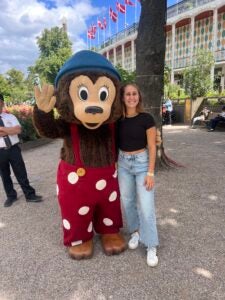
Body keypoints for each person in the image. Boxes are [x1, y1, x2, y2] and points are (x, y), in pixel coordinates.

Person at [117, 83, 159, 267]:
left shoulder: (147, 118)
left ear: (138, 97)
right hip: (124, 164)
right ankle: (136, 232)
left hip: (142, 164)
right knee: (127, 201)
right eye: (128, 94)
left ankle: (151, 244)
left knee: (146, 205)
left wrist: (150, 172)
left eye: (134, 94)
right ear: (123, 97)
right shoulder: (117, 120)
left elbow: (152, 146)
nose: (131, 97)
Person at [0, 94, 42, 207]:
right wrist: (10, 130)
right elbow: (12, 130)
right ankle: (11, 196)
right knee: (4, 175)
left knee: (21, 172)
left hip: (14, 149)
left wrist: (2, 129)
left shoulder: (10, 117)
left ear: (2, 103)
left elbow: (18, 130)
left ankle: (29, 195)